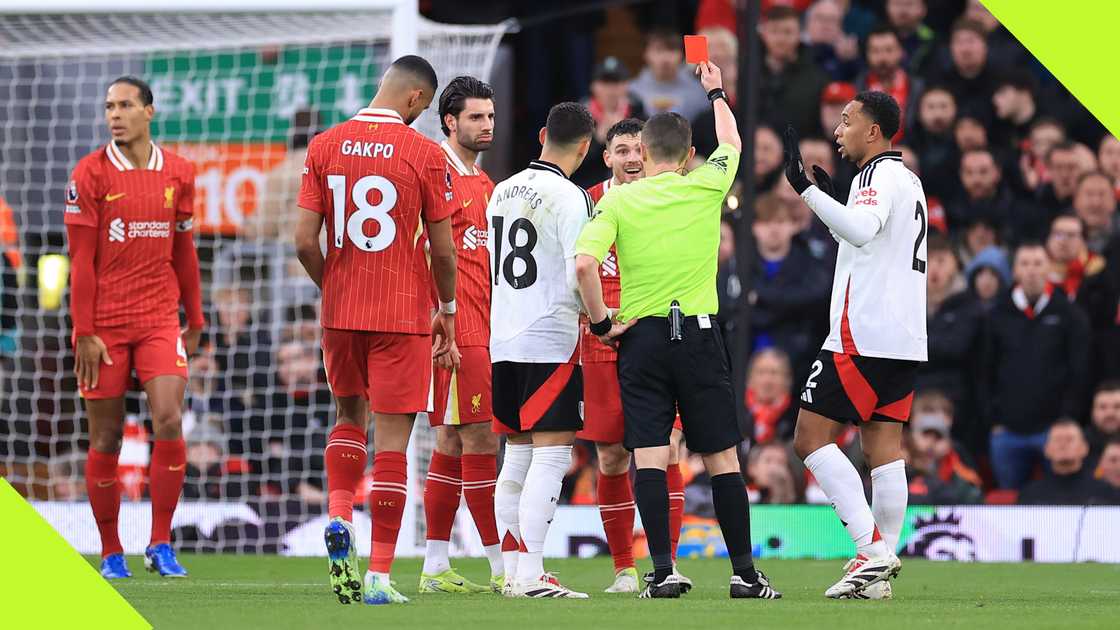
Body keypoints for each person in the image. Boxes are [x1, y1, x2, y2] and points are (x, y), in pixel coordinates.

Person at [576, 61, 780, 600]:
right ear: (690, 156)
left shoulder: (617, 198)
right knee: (721, 458)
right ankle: (744, 574)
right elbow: (731, 137)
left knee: (646, 454)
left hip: (640, 338)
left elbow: (582, 265)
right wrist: (714, 89)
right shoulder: (706, 186)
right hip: (697, 332)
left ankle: (661, 571)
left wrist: (601, 324)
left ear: (642, 153)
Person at [293, 55, 457, 606]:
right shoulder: (424, 153)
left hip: (342, 314)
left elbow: (301, 242)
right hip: (403, 315)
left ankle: (339, 513)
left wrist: (331, 287)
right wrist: (449, 310)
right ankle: (381, 577)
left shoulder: (324, 144)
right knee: (392, 444)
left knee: (346, 417)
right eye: (427, 107)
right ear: (414, 99)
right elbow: (442, 249)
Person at [784, 89, 927, 599]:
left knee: (808, 437)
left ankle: (870, 550)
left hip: (861, 333)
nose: (838, 130)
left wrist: (807, 191)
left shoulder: (874, 175)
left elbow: (863, 232)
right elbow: (869, 238)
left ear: (874, 131)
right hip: (905, 336)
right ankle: (878, 576)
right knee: (884, 450)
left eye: (847, 121)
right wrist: (832, 202)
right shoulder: (907, 179)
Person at [65, 76, 204, 580]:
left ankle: (160, 543)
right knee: (105, 440)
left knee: (168, 419)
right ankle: (110, 551)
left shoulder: (181, 173)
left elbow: (184, 252)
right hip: (103, 326)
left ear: (149, 110)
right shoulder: (90, 173)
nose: (114, 114)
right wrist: (84, 330)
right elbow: (80, 262)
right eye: (108, 106)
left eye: (125, 105)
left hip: (159, 319)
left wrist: (197, 317)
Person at [575, 118, 690, 594]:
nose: (633, 158)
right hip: (602, 337)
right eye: (622, 150)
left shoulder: (673, 195)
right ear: (607, 158)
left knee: (667, 450)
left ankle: (667, 564)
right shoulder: (587, 201)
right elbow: (576, 266)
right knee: (612, 456)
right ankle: (624, 569)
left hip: (661, 333)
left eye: (639, 149)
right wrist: (600, 317)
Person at [487, 101, 595, 599]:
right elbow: (581, 267)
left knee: (516, 456)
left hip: (502, 339)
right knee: (551, 458)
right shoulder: (571, 197)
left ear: (541, 135)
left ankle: (513, 570)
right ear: (586, 147)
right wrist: (602, 320)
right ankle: (530, 575)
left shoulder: (500, 190)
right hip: (549, 339)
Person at [418, 76, 504, 595]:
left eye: (490, 116)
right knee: (478, 440)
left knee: (451, 440)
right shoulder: (435, 174)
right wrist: (436, 316)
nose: (487, 125)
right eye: (476, 117)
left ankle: (433, 565)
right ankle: (501, 568)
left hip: (484, 328)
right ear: (449, 121)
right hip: (456, 330)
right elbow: (418, 248)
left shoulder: (484, 181)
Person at [984, 242, 1090, 490]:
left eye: (1038, 263)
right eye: (1025, 263)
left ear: (1049, 268)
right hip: (1007, 431)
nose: (1032, 270)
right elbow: (982, 371)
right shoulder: (996, 314)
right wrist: (993, 419)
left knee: (1059, 499)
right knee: (1009, 502)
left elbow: (1080, 370)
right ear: (1015, 271)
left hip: (1054, 430)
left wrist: (1067, 418)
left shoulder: (1070, 314)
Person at [574, 57, 648, 188]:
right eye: (605, 82)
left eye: (617, 82)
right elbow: (572, 165)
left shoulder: (639, 113)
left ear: (626, 85)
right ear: (593, 86)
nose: (611, 90)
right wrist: (597, 139)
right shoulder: (578, 116)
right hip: (590, 190)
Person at [759, 5, 829, 138]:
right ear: (764, 34)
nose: (781, 39)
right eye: (774, 31)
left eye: (788, 32)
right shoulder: (747, 74)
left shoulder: (817, 79)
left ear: (799, 34)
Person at [1019, 421, 1119, 505]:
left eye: (1069, 439)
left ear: (1084, 448)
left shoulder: (1106, 492)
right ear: (1046, 450)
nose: (1063, 445)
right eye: (1057, 440)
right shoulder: (1030, 495)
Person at [857, 25, 923, 142]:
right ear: (867, 54)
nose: (882, 58)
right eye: (875, 51)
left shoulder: (917, 88)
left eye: (889, 50)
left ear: (901, 52)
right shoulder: (857, 88)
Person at [629, 29, 708, 122]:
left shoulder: (698, 91)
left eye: (671, 50)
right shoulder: (632, 91)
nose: (665, 58)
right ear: (646, 54)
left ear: (681, 55)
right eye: (658, 50)